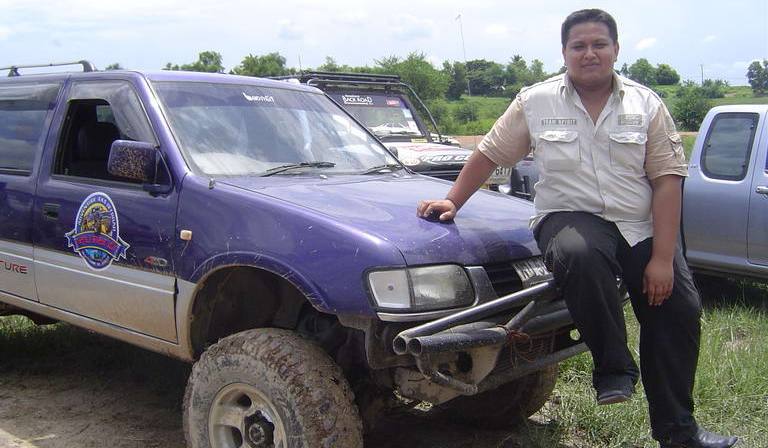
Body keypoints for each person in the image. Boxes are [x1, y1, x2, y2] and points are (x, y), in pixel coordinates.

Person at [417, 9, 738, 448]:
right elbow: (490, 153)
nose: (590, 53)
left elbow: (667, 181)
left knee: (678, 308)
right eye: (579, 46)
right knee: (579, 253)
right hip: (568, 216)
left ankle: (679, 432)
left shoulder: (646, 104)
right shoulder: (536, 101)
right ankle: (614, 370)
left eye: (599, 44)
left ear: (615, 50)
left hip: (637, 224)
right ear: (565, 52)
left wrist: (663, 259)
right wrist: (453, 200)